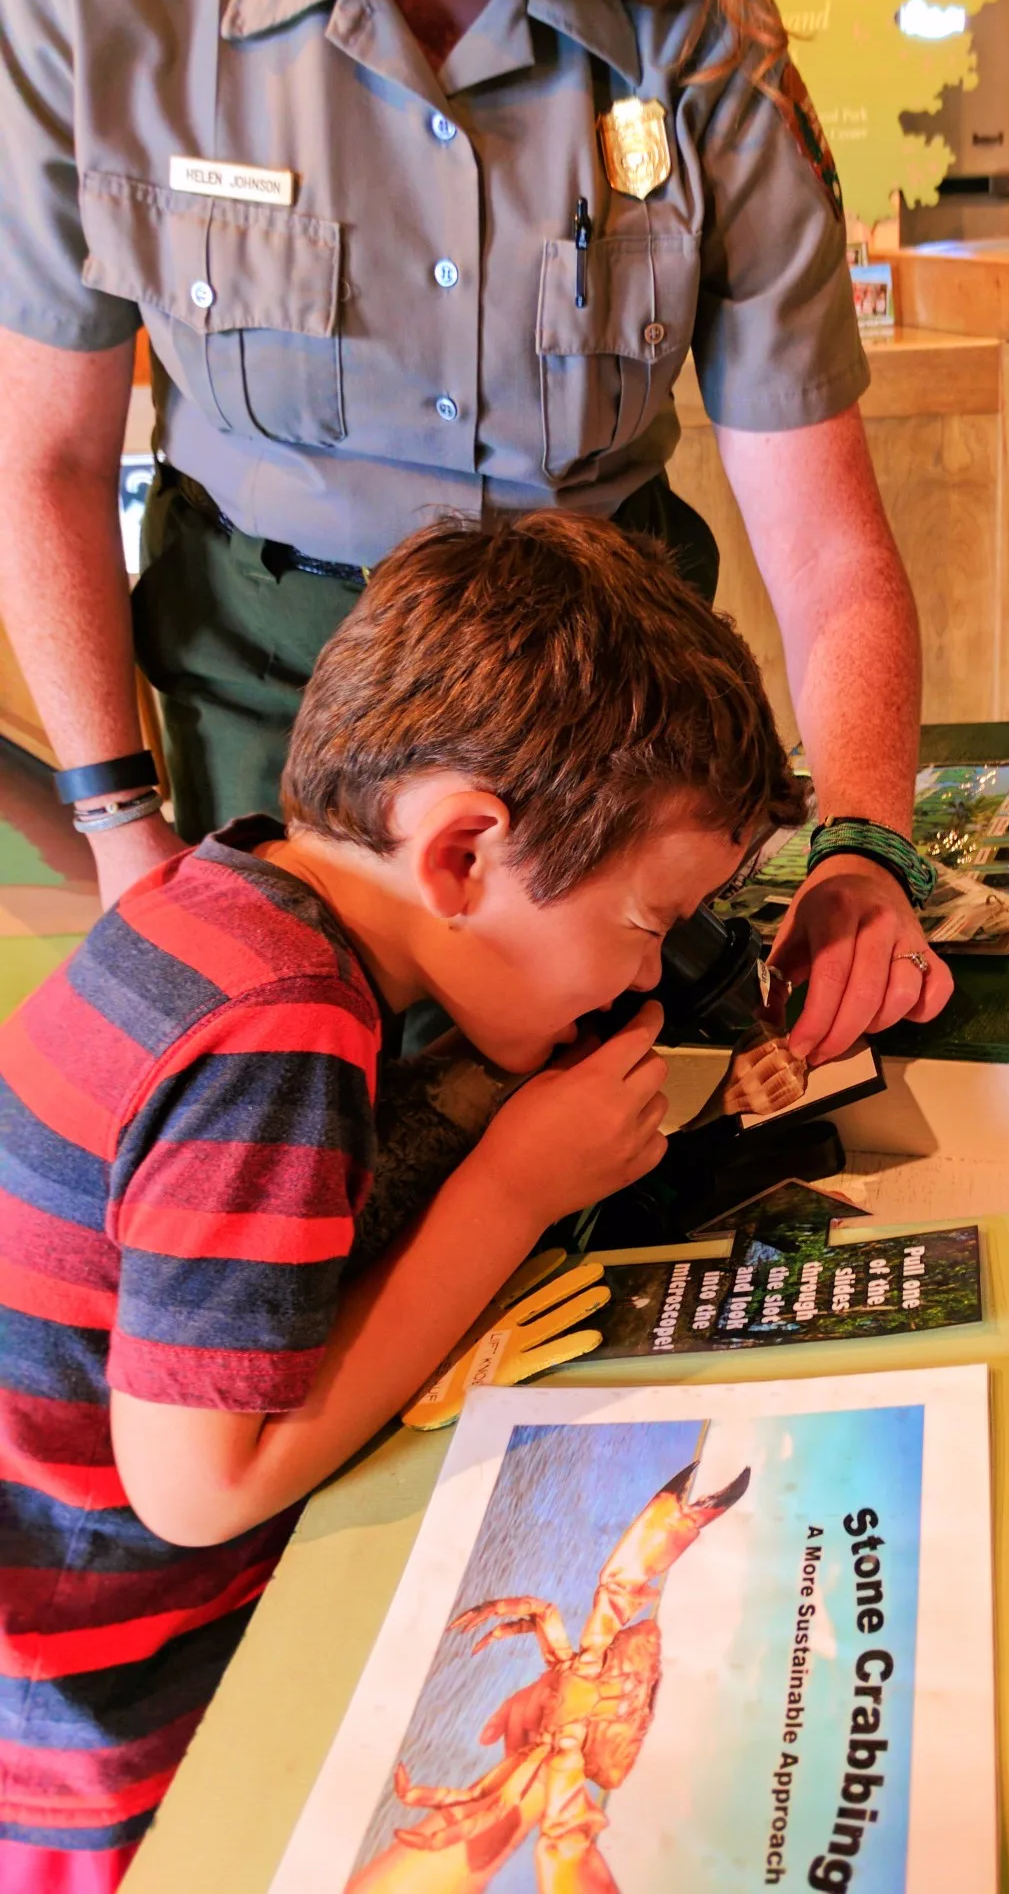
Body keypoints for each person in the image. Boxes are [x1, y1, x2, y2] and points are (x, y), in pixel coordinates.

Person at [0, 0, 952, 1071]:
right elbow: (46, 455)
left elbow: (829, 550)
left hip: (612, 735)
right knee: (302, 1109)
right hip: (278, 710)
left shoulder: (696, 8)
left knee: (653, 1115)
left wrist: (864, 846)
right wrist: (121, 831)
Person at [0, 508, 809, 1891]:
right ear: (461, 856)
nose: (645, 979)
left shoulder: (235, 897)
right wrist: (508, 1187)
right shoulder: (275, 1023)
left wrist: (492, 1108)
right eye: (645, 924)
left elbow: (300, 1243)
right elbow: (202, 1489)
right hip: (115, 1727)